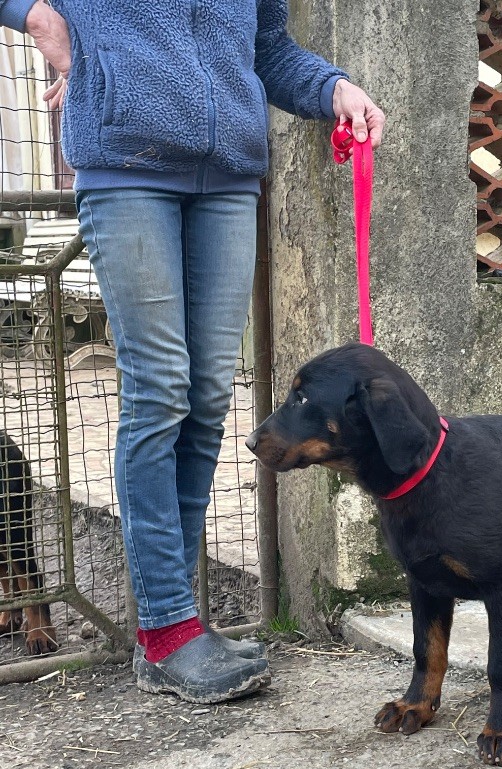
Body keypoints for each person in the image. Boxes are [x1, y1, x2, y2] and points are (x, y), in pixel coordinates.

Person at [0, 0, 384, 703]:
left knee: (207, 398)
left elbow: (269, 52)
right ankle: (167, 628)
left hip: (229, 180)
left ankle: (173, 627)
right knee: (159, 391)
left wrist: (334, 87)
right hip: (126, 168)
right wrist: (39, 20)